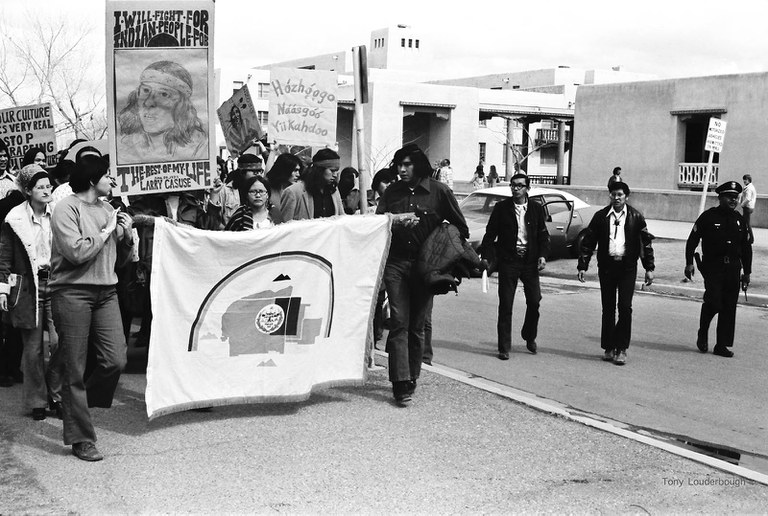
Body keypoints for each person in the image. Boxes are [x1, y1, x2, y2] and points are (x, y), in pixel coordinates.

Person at [49, 154, 135, 461]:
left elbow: (117, 262)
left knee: (115, 360)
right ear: (91, 179)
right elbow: (76, 252)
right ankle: (81, 438)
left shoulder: (108, 209)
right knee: (75, 366)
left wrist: (124, 238)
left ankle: (74, 401)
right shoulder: (65, 208)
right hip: (71, 293)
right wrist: (104, 232)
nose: (112, 180)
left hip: (106, 291)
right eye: (107, 175)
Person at [376, 144, 468, 405]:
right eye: (398, 165)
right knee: (398, 322)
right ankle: (400, 381)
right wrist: (396, 221)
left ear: (419, 166)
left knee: (417, 327)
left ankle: (413, 374)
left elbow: (460, 229)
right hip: (396, 264)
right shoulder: (392, 192)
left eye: (407, 165)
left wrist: (442, 257)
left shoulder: (440, 192)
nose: (401, 170)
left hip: (425, 268)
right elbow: (377, 224)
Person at [0, 165, 61, 420]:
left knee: (60, 342)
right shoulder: (14, 219)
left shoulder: (59, 213)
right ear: (28, 191)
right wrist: (3, 289)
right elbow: (4, 255)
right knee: (33, 348)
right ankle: (37, 401)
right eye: (40, 187)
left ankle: (57, 394)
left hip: (57, 284)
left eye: (48, 186)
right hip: (28, 288)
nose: (47, 191)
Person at [577, 181, 654, 366]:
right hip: (607, 267)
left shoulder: (636, 217)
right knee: (608, 308)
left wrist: (649, 268)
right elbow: (588, 242)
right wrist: (582, 265)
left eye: (620, 195)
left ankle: (622, 348)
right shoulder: (600, 216)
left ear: (626, 197)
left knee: (625, 307)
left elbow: (646, 244)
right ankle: (609, 347)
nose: (616, 198)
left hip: (627, 268)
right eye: (613, 194)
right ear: (609, 196)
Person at [479, 173, 550, 360]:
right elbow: (490, 234)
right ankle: (504, 347)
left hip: (529, 261)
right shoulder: (502, 208)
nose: (516, 188)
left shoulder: (535, 209)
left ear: (528, 188)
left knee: (534, 301)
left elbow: (543, 234)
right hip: (509, 261)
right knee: (506, 304)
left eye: (520, 185)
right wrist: (487, 256)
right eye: (513, 185)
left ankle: (529, 335)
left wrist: (542, 255)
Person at [685, 181, 752, 358]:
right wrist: (689, 262)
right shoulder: (708, 217)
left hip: (733, 269)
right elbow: (692, 240)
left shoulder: (740, 220)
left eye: (735, 197)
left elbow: (746, 248)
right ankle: (703, 330)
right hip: (713, 267)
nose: (733, 200)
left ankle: (721, 345)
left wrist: (747, 272)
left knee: (729, 307)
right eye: (729, 197)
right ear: (720, 197)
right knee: (714, 301)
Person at [117, 60, 207, 164]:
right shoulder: (125, 146)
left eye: (164, 94)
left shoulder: (200, 147)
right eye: (146, 91)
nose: (148, 102)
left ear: (181, 106)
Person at [280, 149, 344, 221]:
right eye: (332, 170)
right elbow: (284, 226)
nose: (335, 175)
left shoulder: (334, 191)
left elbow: (341, 218)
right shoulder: (293, 192)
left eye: (336, 171)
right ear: (320, 169)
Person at [209, 154, 264, 228]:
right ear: (242, 172)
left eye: (260, 171)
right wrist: (231, 232)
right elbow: (215, 221)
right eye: (254, 172)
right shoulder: (225, 191)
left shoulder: (263, 192)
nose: (258, 175)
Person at [740, 174, 756, 243]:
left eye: (745, 179)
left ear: (749, 180)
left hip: (747, 207)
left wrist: (742, 204)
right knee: (744, 222)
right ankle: (744, 236)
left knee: (747, 223)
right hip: (749, 207)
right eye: (743, 179)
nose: (744, 181)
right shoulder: (749, 187)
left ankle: (751, 238)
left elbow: (748, 198)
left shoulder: (749, 188)